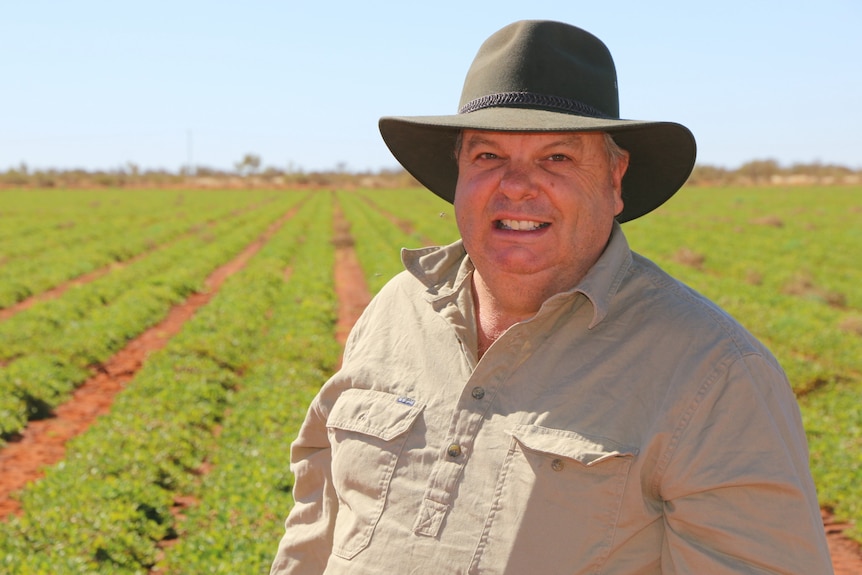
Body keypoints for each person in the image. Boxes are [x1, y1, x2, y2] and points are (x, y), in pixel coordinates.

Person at [271, 20, 834, 575]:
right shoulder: (398, 308)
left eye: (557, 158)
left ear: (615, 180)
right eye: (488, 156)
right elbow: (319, 513)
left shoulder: (714, 374)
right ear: (458, 174)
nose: (516, 185)